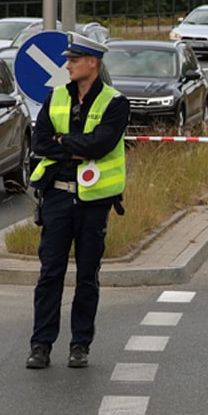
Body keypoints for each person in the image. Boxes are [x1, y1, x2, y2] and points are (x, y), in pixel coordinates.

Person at [25, 32, 130, 370]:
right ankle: (41, 345)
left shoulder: (115, 102)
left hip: (94, 202)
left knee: (87, 276)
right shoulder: (55, 97)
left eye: (73, 60)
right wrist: (73, 143)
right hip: (57, 195)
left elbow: (100, 145)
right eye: (68, 59)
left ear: (93, 63)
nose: (67, 65)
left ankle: (80, 345)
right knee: (49, 274)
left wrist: (64, 142)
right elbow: (40, 142)